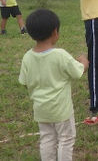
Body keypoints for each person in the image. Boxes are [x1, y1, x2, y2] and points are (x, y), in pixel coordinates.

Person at [18, 9, 89, 161]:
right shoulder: (60, 55)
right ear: (55, 32)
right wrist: (83, 61)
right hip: (61, 110)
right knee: (66, 139)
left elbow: (24, 82)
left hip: (41, 110)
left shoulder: (27, 57)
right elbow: (78, 72)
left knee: (47, 139)